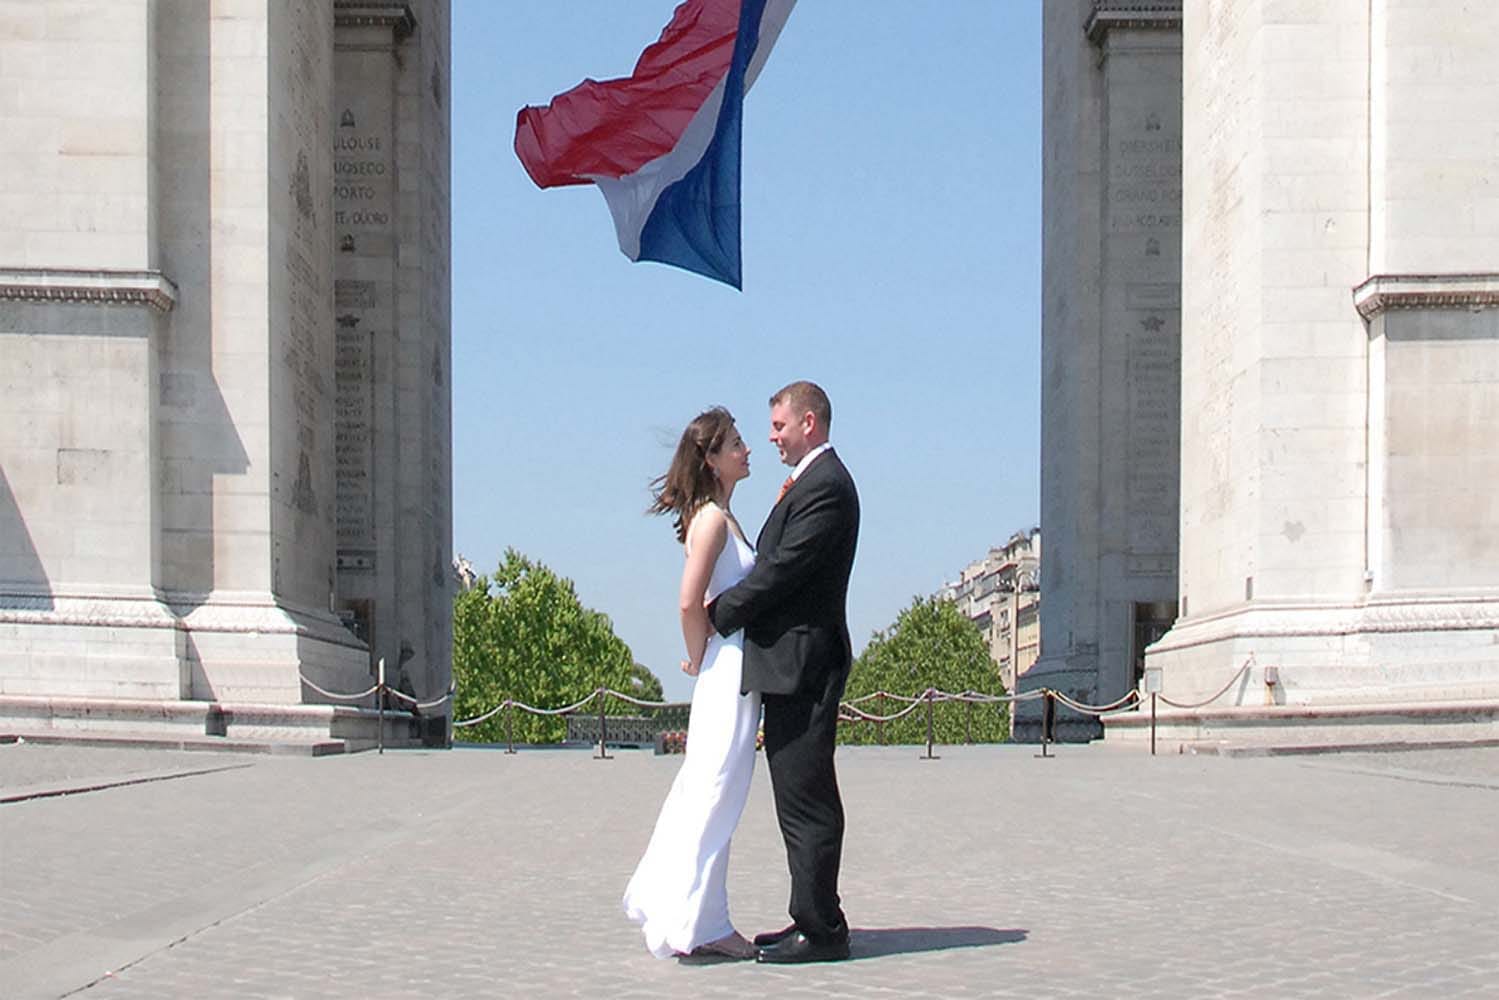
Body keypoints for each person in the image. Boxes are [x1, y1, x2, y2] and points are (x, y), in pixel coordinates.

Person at [708, 380, 860, 964]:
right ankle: (811, 916)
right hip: (790, 663)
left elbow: (784, 571)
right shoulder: (811, 483)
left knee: (808, 798)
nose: (771, 436)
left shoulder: (827, 487)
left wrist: (717, 614)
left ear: (810, 423)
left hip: (806, 663)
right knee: (797, 797)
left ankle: (822, 929)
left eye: (778, 426)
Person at [623, 407, 760, 960]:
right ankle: (701, 919)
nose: (747, 449)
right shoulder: (709, 520)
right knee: (715, 789)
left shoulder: (721, 516)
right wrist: (698, 654)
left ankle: (698, 914)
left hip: (731, 664)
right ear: (711, 458)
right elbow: (688, 599)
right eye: (736, 442)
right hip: (726, 667)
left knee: (715, 789)